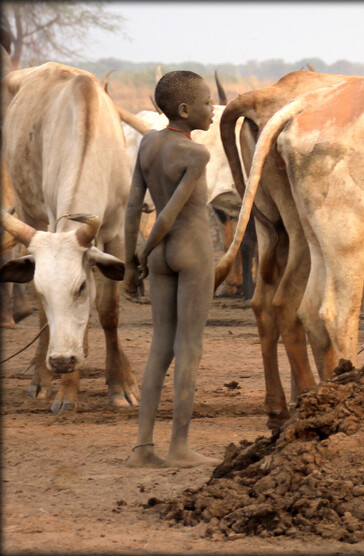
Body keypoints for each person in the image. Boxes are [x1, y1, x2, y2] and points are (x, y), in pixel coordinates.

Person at [124, 70, 219, 467]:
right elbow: (168, 218)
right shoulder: (196, 154)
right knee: (189, 349)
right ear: (184, 110)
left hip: (160, 258)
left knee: (159, 348)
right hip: (190, 251)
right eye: (206, 103)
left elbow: (133, 206)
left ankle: (143, 447)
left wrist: (133, 260)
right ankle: (179, 447)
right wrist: (144, 253)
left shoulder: (147, 143)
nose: (212, 110)